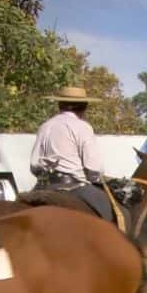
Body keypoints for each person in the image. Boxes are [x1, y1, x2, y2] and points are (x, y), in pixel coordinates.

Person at [30, 86, 113, 221]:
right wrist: (95, 179)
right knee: (112, 214)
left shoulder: (45, 126)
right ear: (84, 107)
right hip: (75, 186)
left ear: (60, 105)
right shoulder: (82, 127)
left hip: (45, 185)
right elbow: (94, 168)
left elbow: (34, 164)